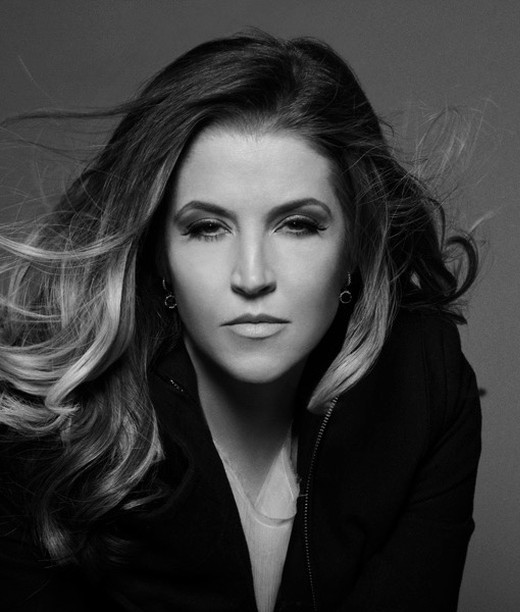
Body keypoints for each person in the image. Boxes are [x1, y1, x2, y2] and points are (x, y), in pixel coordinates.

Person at [0, 30, 481, 612]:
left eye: (298, 225)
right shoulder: (44, 439)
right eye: (207, 228)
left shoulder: (425, 388)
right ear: (160, 255)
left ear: (356, 244)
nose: (252, 276)